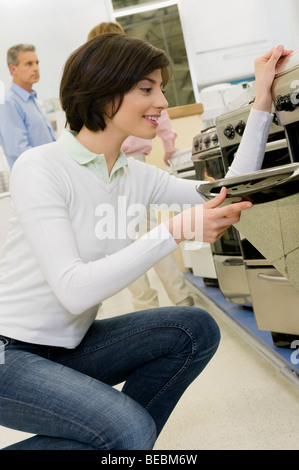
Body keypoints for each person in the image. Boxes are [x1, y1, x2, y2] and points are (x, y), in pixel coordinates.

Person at [0, 35, 290, 450]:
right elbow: (72, 290)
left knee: (193, 329)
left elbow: (227, 191)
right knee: (126, 431)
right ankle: (124, 440)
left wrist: (262, 97)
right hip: (8, 355)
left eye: (161, 89)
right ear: (103, 92)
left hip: (69, 347)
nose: (162, 103)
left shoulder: (134, 175)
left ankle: (122, 442)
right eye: (146, 89)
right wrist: (173, 230)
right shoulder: (41, 167)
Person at [88, 21, 194, 309]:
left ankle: (148, 303)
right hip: (120, 163)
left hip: (112, 166)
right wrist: (169, 145)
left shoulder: (101, 83)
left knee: (122, 238)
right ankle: (180, 298)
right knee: (146, 236)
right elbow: (160, 112)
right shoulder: (123, 78)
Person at [0, 44, 56, 169]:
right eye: (29, 64)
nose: (36, 68)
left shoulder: (32, 100)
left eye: (37, 63)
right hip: (34, 174)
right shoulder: (9, 103)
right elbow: (18, 150)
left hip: (48, 171)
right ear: (13, 69)